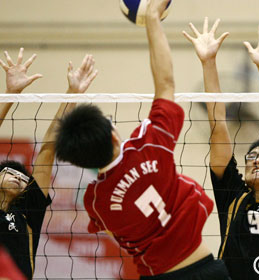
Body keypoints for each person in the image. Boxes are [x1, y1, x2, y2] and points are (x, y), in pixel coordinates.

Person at [54, 1, 230, 279]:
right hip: (206, 269)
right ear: (114, 135)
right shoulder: (149, 145)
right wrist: (152, 20)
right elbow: (166, 83)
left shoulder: (96, 202)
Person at [183, 18, 259, 279]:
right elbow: (219, 127)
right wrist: (208, 63)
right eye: (252, 157)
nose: (258, 161)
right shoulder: (233, 197)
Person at [0, 48, 98, 279]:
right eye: (9, 172)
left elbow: (47, 150)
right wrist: (10, 94)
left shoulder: (27, 212)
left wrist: (72, 94)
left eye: (23, 178)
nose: (18, 177)